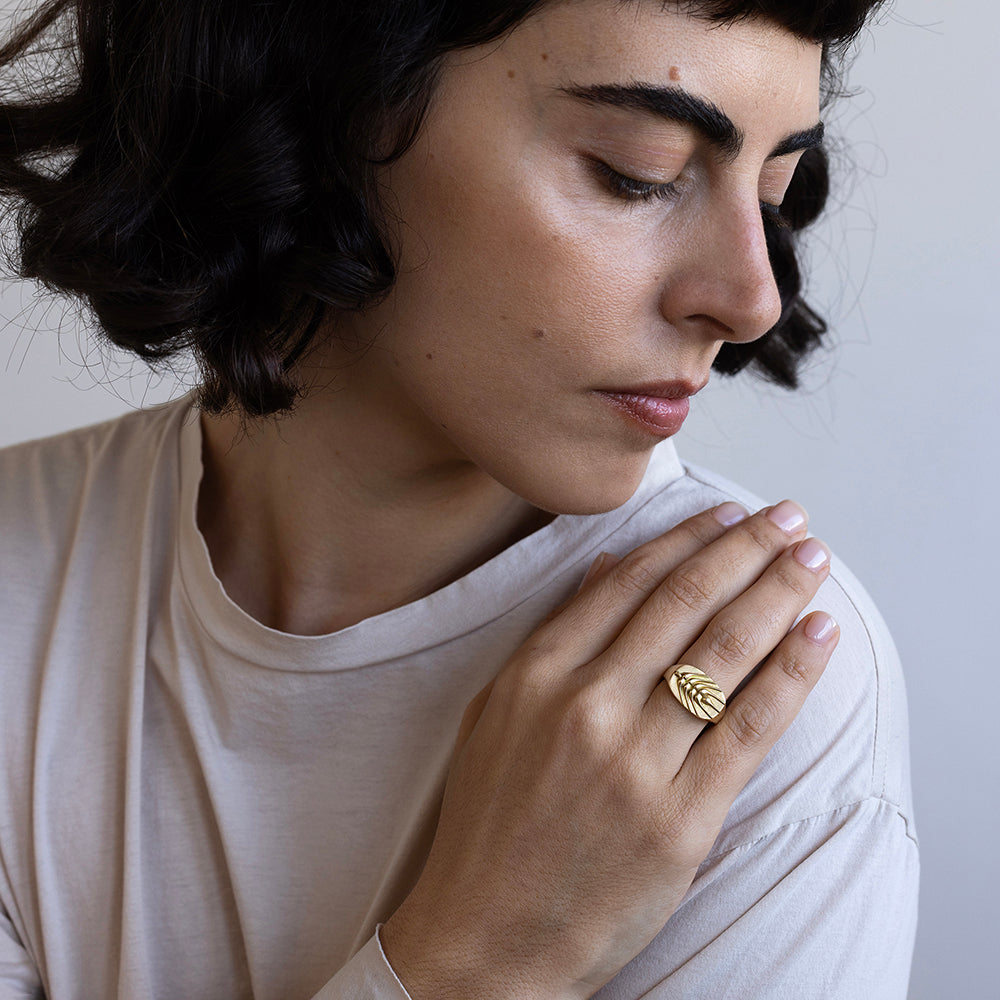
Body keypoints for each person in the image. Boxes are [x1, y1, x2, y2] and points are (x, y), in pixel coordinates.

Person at [0, 0, 918, 997]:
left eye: (773, 191)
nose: (751, 299)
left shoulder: (762, 690)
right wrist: (482, 958)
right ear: (317, 104)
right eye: (637, 172)